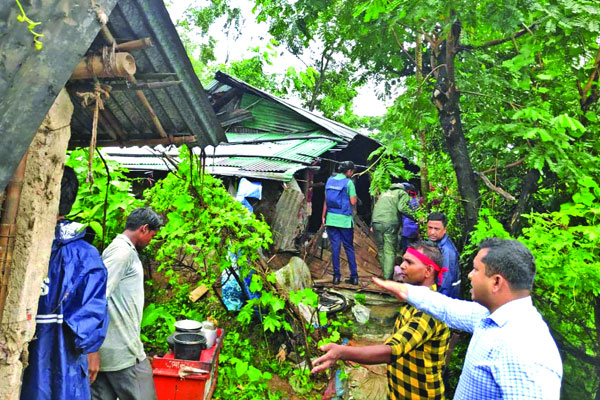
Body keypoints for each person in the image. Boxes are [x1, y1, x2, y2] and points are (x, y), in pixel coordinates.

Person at [373, 238, 563, 399]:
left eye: (475, 270)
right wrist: (404, 290)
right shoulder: (490, 316)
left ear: (496, 281)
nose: (470, 275)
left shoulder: (524, 349)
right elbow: (447, 308)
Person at [311, 241, 450, 399]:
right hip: (399, 392)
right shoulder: (415, 302)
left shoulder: (430, 310)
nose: (402, 266)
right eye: (403, 261)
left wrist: (343, 352)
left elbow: (393, 350)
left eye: (409, 262)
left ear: (428, 271)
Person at [21, 166, 109, 400]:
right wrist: (92, 349)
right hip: (64, 370)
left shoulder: (17, 248)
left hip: (19, 370)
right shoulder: (86, 255)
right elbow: (90, 324)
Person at [90, 207, 163, 400]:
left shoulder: (121, 249)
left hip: (110, 351)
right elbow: (97, 297)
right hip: (123, 352)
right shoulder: (122, 253)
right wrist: (91, 349)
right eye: (152, 236)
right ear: (144, 229)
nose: (150, 242)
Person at [322, 161, 359, 285]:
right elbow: (353, 202)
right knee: (349, 248)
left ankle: (336, 277)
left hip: (331, 219)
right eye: (352, 171)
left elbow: (326, 200)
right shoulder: (349, 183)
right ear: (349, 171)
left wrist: (323, 217)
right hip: (345, 221)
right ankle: (354, 277)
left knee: (335, 248)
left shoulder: (329, 181)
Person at [371, 182, 417, 279]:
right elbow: (402, 208)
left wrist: (372, 224)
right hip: (389, 223)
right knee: (390, 251)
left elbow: (377, 207)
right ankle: (387, 279)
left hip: (376, 222)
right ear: (407, 190)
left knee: (381, 249)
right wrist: (416, 217)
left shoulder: (384, 192)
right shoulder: (402, 193)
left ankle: (385, 273)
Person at [427, 212, 460, 298]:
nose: (432, 232)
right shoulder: (433, 243)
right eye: (430, 228)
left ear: (445, 230)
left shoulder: (447, 251)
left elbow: (446, 281)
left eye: (436, 229)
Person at [399, 183, 421, 252]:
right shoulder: (418, 201)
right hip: (414, 230)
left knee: (406, 250)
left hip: (406, 230)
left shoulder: (404, 202)